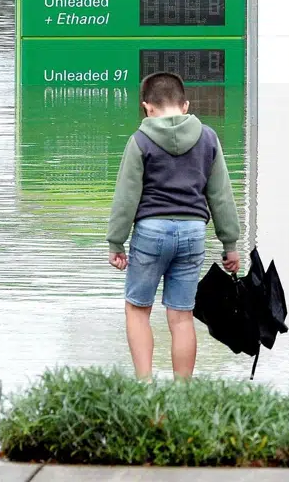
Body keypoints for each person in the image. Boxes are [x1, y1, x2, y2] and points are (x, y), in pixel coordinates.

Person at [107, 72, 240, 379]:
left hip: (151, 232)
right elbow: (221, 196)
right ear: (185, 105)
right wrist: (229, 244)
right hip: (193, 232)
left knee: (138, 310)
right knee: (181, 317)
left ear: (147, 107)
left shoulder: (140, 141)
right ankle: (183, 395)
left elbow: (126, 197)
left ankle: (144, 388)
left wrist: (116, 242)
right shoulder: (208, 138)